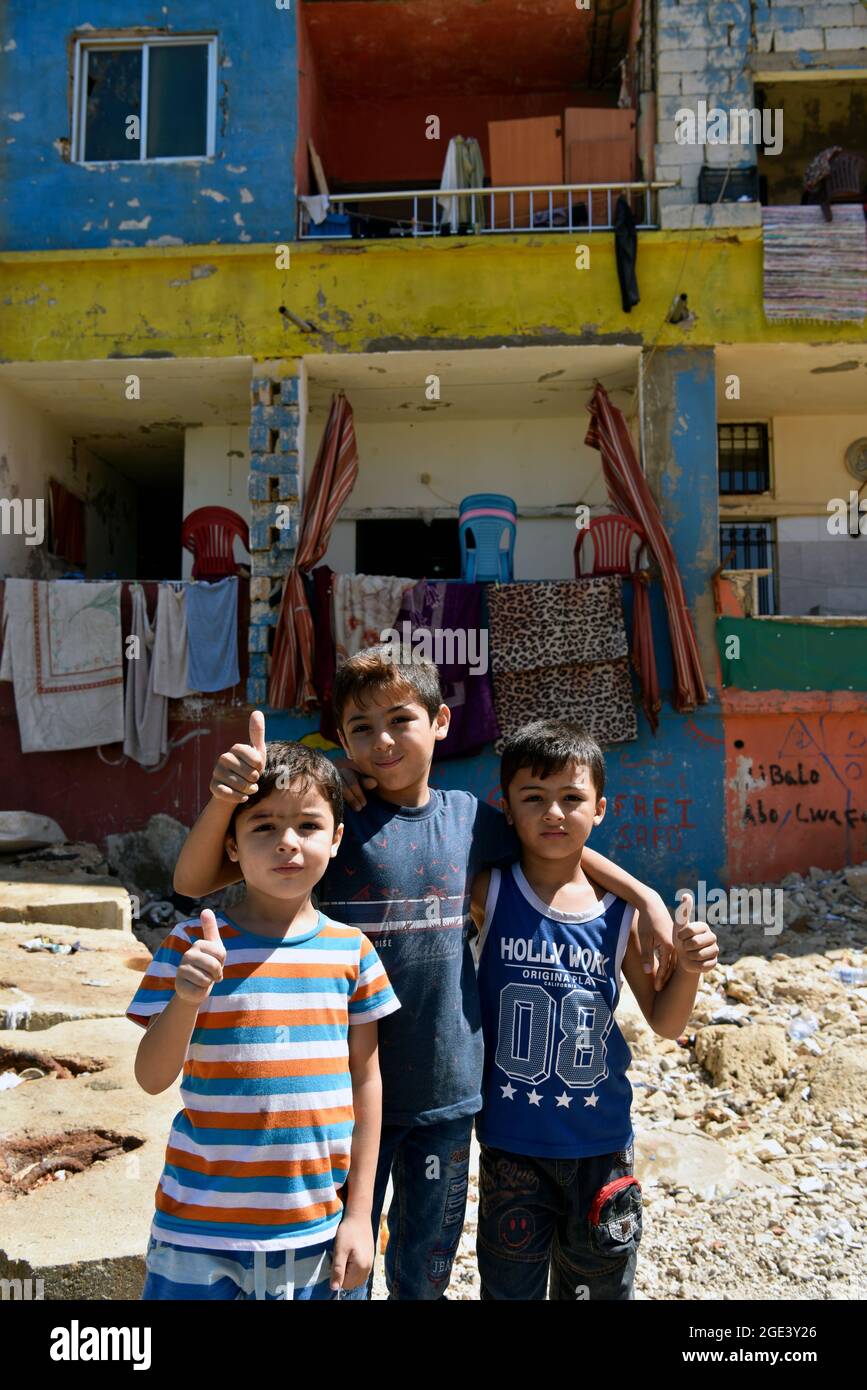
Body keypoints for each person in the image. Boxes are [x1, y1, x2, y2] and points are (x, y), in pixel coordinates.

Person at [174, 649, 679, 1300]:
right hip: (340, 1091)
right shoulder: (329, 821)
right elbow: (192, 882)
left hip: (444, 1090)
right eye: (359, 729)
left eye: (398, 720)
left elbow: (558, 846)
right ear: (341, 740)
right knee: (338, 1264)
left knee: (422, 1274)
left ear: (440, 721)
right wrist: (236, 794)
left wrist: (647, 898)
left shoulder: (470, 822)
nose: (381, 741)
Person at [127, 738, 399, 1301]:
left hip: (315, 1234)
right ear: (231, 844)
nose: (287, 844)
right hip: (196, 1230)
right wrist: (186, 997)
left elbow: (367, 1085)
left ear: (337, 837)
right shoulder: (191, 943)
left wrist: (360, 1215)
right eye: (264, 827)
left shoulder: (352, 953)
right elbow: (152, 1078)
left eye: (307, 826)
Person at [470, 718, 719, 1300]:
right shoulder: (488, 891)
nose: (553, 813)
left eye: (572, 798)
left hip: (601, 1146)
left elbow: (667, 1023)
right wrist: (647, 890)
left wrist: (687, 966)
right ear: (506, 807)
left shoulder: (618, 916)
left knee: (598, 1291)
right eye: (533, 798)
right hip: (512, 1145)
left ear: (601, 808)